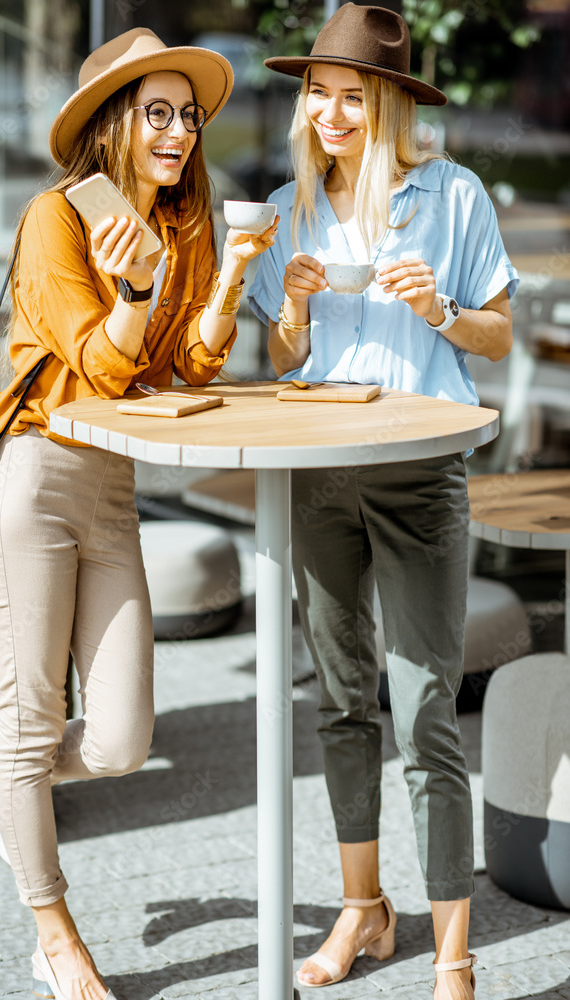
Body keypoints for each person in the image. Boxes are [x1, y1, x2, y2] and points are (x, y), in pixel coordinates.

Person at [0, 28, 275, 1000]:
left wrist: (229, 274)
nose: (178, 131)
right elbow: (99, 367)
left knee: (122, 737)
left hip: (115, 486)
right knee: (33, 723)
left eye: (189, 114)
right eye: (157, 111)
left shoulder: (183, 222)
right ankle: (55, 937)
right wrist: (132, 285)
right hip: (37, 475)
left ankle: (2, 778)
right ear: (114, 122)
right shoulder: (52, 219)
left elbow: (193, 365)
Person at [248, 4, 517, 996]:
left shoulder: (452, 198)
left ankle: (454, 953)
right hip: (318, 471)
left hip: (418, 472)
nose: (329, 111)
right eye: (318, 92)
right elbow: (284, 356)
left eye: (352, 96)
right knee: (339, 700)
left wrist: (439, 310)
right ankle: (363, 911)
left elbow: (494, 336)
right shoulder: (287, 208)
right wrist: (299, 305)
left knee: (424, 714)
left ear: (392, 103)